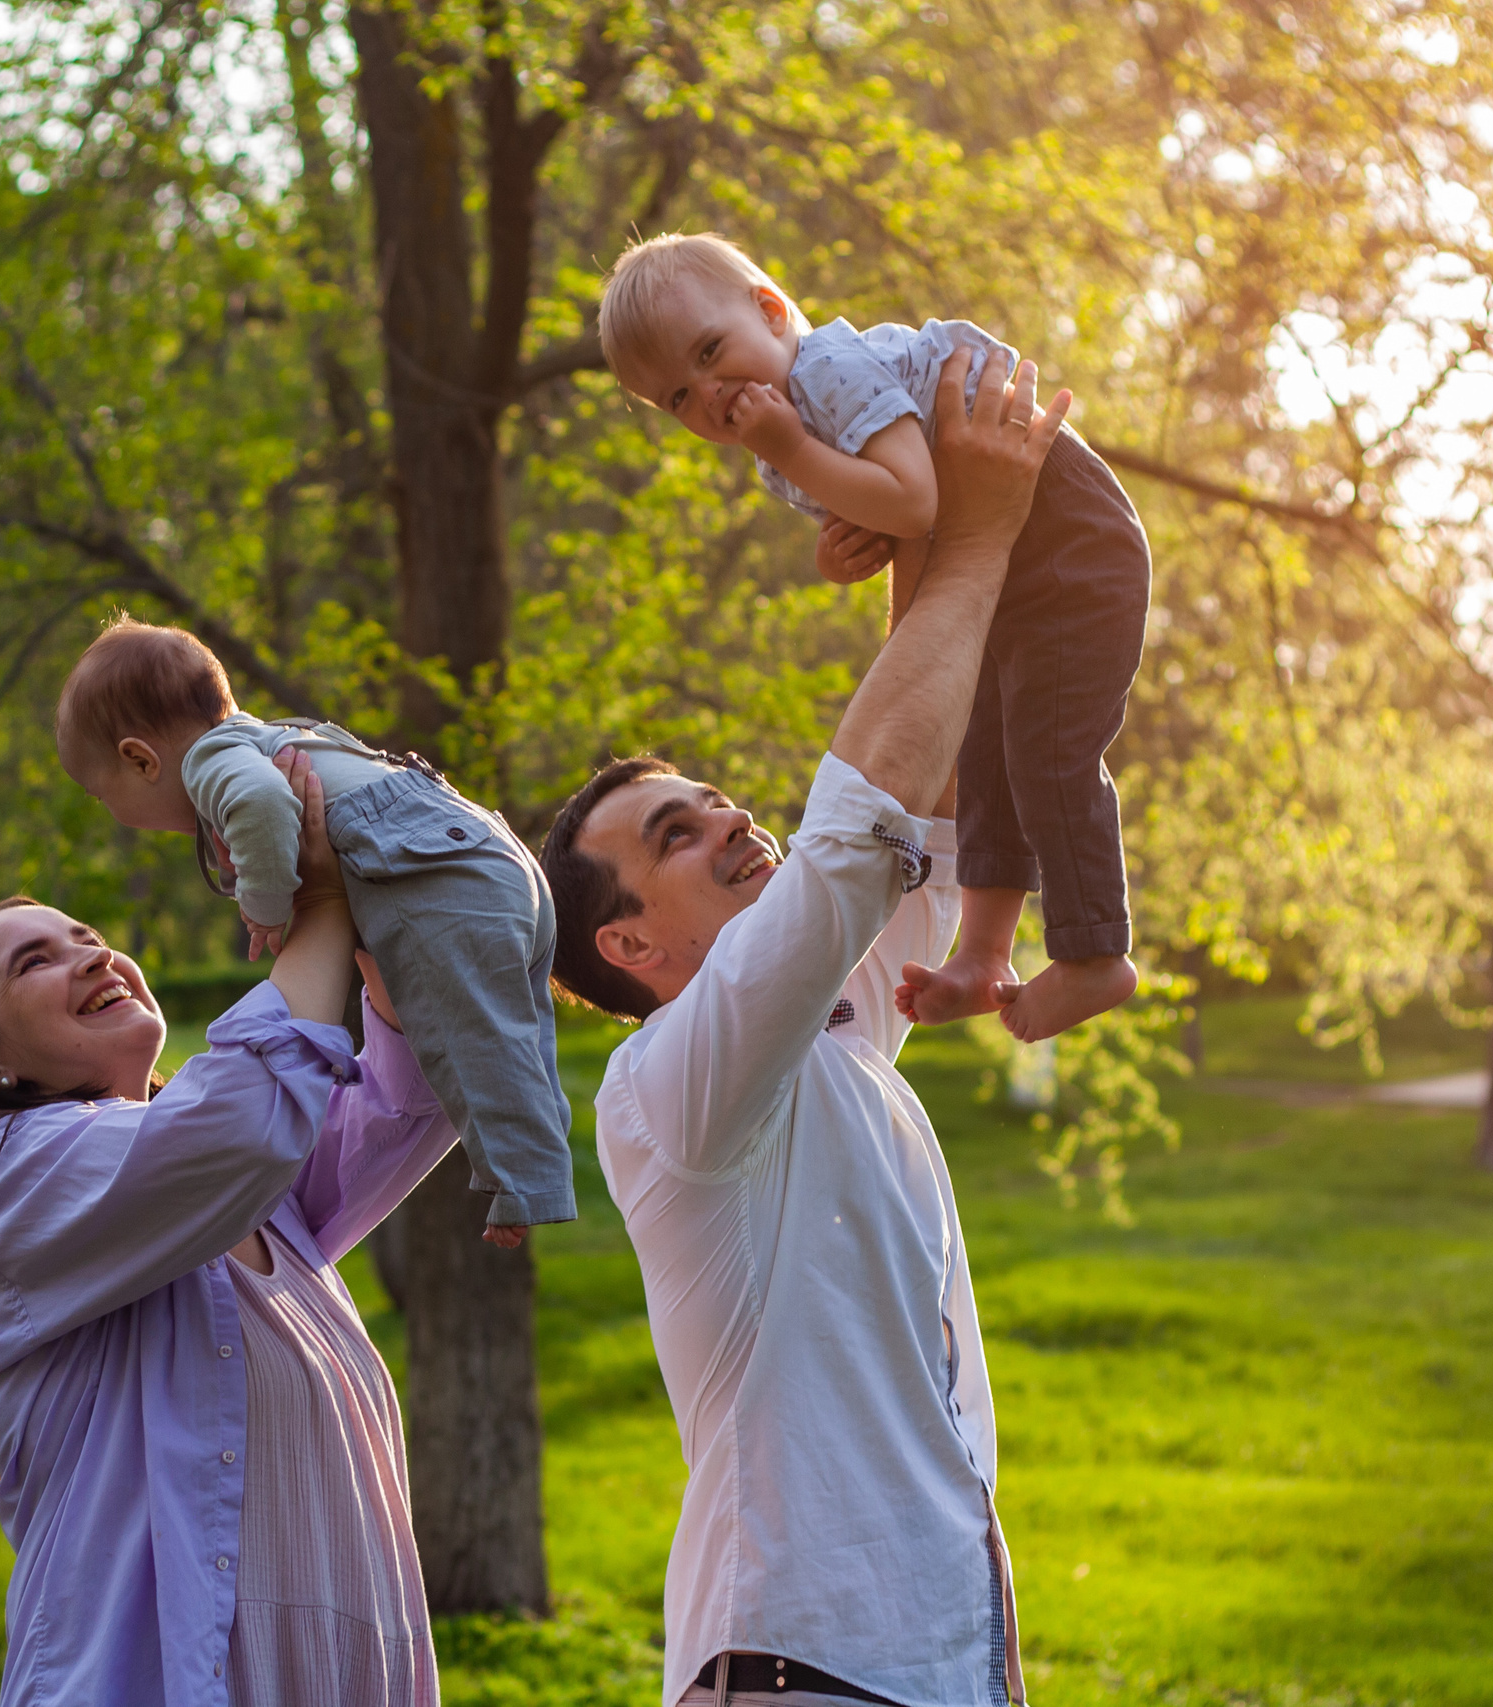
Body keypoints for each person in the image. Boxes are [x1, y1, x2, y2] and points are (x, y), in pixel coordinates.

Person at [539, 347, 1065, 1706]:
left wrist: (921, 523)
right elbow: (858, 824)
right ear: (629, 943)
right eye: (677, 831)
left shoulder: (839, 1033)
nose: (728, 817)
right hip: (800, 1665)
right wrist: (985, 538)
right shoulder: (674, 1088)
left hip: (943, 1656)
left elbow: (917, 801)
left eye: (716, 797)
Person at [0, 752, 460, 1706]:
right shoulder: (1, 1184)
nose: (93, 956)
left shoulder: (246, 1194)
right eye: (37, 961)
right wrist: (317, 902)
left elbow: (410, 1097)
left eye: (87, 936)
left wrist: (385, 878)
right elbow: (236, 1124)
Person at [597, 230, 1150, 1043]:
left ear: (772, 310)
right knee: (985, 749)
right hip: (1008, 560)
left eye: (712, 352)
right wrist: (839, 544)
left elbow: (917, 501)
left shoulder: (824, 373)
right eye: (679, 396)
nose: (709, 391)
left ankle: (1096, 948)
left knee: (1047, 747)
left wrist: (797, 452)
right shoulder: (778, 447)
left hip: (1069, 536)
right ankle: (985, 951)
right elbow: (885, 519)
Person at [52, 620, 573, 1243]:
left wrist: (265, 903)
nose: (106, 809)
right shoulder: (279, 734)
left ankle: (523, 1184)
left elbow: (264, 807)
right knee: (512, 1027)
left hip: (436, 872)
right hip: (494, 854)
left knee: (469, 1028)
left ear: (140, 760)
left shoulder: (209, 760)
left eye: (96, 793)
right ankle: (531, 1166)